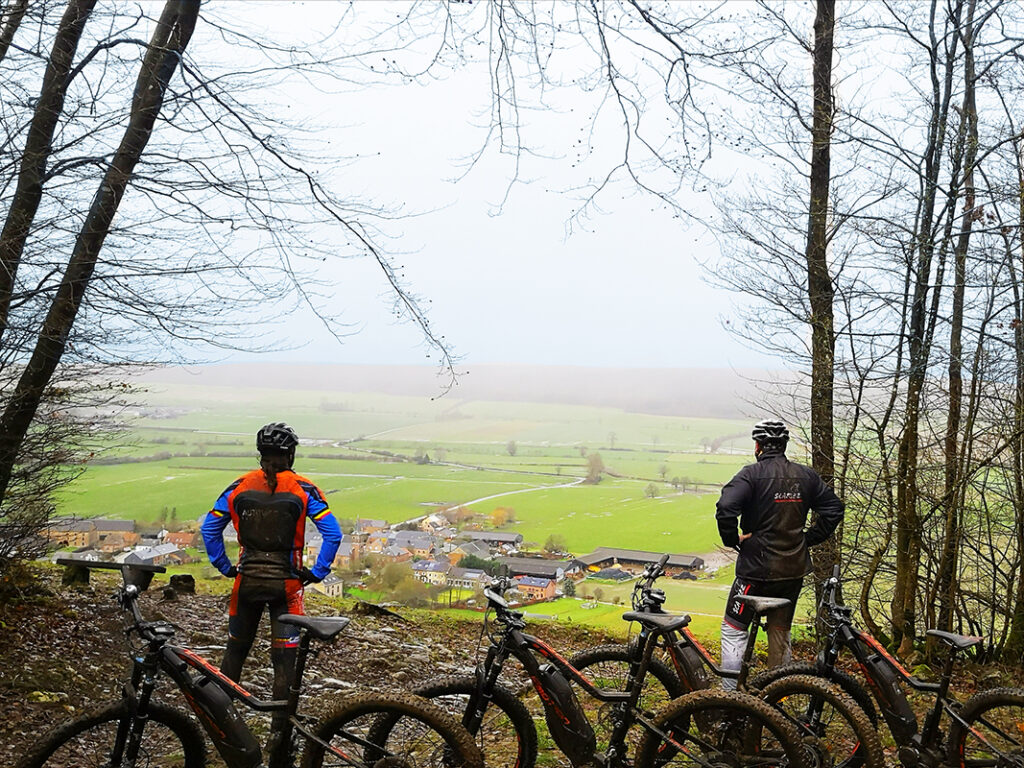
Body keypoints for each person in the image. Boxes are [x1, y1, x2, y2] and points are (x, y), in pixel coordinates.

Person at [201, 422, 341, 740]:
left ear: (261, 454)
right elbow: (333, 534)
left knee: (235, 653)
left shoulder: (237, 486)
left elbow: (209, 528)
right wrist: (317, 572)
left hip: (246, 584)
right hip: (287, 588)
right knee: (284, 662)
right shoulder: (305, 489)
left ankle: (223, 730)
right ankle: (279, 735)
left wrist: (224, 566)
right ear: (290, 455)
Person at [715, 419, 844, 689]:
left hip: (754, 571)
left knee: (734, 629)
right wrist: (807, 539)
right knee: (780, 633)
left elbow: (726, 507)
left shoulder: (750, 475)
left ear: (757, 446)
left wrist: (732, 540)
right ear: (784, 445)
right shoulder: (805, 476)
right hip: (792, 572)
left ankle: (729, 696)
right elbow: (834, 509)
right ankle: (777, 696)